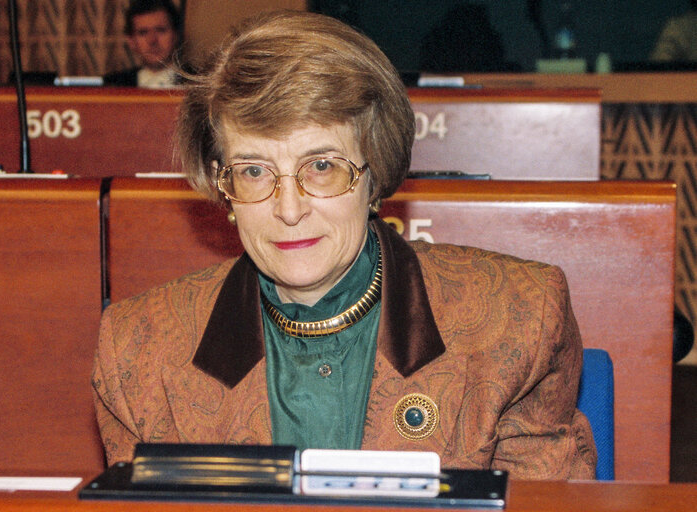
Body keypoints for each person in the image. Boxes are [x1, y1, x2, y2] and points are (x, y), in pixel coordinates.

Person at [92, 10, 597, 480]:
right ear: (223, 188)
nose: (289, 210)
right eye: (253, 171)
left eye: (322, 166)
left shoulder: (518, 319)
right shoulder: (139, 352)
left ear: (373, 175)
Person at [103, 0, 185, 88]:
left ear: (176, 35)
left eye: (160, 30)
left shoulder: (197, 84)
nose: (152, 40)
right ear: (131, 41)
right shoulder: (110, 85)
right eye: (143, 33)